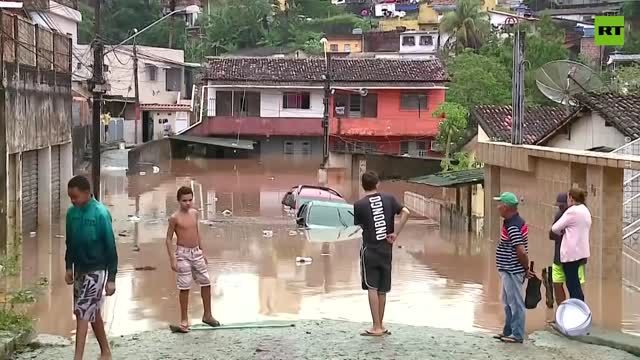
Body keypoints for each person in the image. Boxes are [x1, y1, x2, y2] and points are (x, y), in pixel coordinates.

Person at [65, 175, 118, 360]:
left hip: (97, 269)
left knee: (82, 311)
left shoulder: (101, 214)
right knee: (92, 312)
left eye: (76, 196)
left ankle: (77, 357)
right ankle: (106, 352)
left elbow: (111, 247)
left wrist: (111, 278)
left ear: (87, 193)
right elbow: (69, 242)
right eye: (70, 197)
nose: (73, 200)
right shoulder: (71, 213)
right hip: (79, 268)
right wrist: (68, 267)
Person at [353, 171, 410, 336]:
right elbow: (406, 212)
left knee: (372, 287)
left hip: (369, 250)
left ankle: (376, 327)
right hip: (386, 250)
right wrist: (395, 233)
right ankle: (381, 325)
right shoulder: (389, 199)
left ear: (363, 186)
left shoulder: (359, 205)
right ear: (377, 184)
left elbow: (360, 225)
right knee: (382, 289)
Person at [166, 186, 220, 333]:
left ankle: (207, 315)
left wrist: (202, 251)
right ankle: (184, 320)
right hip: (182, 254)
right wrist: (172, 259)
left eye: (190, 200)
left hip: (196, 252)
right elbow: (168, 239)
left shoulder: (195, 213)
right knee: (184, 287)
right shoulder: (174, 217)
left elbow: (197, 232)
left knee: (206, 282)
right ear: (178, 200)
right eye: (184, 201)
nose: (188, 203)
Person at [493, 192, 533, 344]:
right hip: (508, 268)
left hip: (512, 269)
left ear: (506, 207)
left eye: (499, 204)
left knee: (515, 302)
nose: (497, 207)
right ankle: (508, 331)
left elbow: (521, 250)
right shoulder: (511, 222)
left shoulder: (513, 225)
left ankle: (517, 334)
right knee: (507, 301)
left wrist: (525, 268)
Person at [551, 187, 591, 301]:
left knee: (572, 284)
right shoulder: (585, 210)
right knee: (576, 283)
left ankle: (577, 309)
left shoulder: (572, 211)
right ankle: (579, 307)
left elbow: (555, 228)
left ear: (571, 198)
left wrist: (562, 231)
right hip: (581, 252)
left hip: (570, 254)